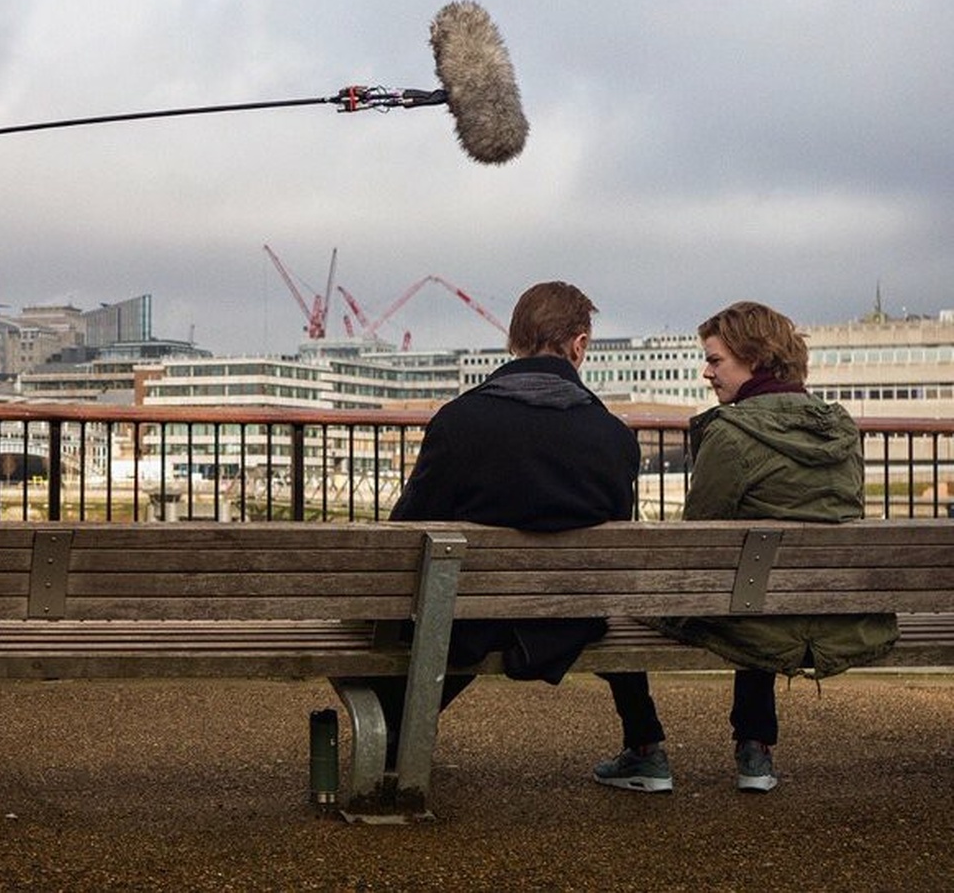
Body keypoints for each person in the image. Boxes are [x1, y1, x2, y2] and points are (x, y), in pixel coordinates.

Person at [594, 301, 898, 795]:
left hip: (759, 617)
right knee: (757, 589)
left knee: (619, 606)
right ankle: (754, 748)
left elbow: (697, 543)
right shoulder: (842, 430)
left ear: (754, 359)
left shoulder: (732, 434)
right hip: (838, 618)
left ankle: (644, 747)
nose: (706, 372)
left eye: (715, 360)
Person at [376, 281, 640, 756]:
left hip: (468, 618)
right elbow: (615, 537)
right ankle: (645, 742)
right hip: (568, 619)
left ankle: (390, 734)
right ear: (579, 345)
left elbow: (408, 529)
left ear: (513, 339)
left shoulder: (459, 422)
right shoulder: (614, 437)